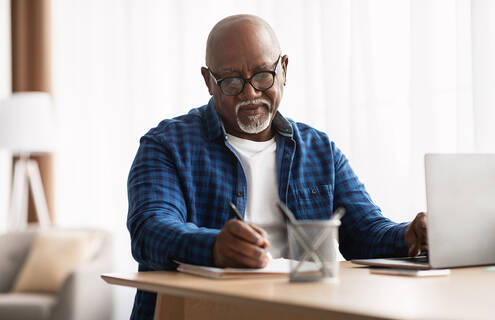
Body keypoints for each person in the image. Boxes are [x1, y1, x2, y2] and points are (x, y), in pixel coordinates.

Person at [127, 14, 427, 319]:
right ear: (208, 81)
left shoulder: (318, 149)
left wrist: (410, 236)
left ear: (283, 69)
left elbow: (365, 232)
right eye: (231, 81)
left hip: (298, 311)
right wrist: (214, 247)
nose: (251, 92)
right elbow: (150, 230)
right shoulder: (166, 145)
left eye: (262, 75)